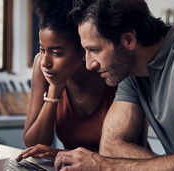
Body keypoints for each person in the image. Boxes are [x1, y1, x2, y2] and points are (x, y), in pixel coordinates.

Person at [55, 0, 174, 170]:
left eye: (95, 50)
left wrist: (103, 165)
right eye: (86, 52)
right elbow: (110, 147)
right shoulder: (132, 71)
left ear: (128, 39)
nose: (89, 64)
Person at [14, 0, 141, 162]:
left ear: (83, 49)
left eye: (57, 53)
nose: (45, 61)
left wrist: (61, 154)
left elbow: (131, 149)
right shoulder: (43, 67)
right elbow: (34, 145)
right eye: (42, 49)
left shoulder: (112, 71)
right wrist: (54, 90)